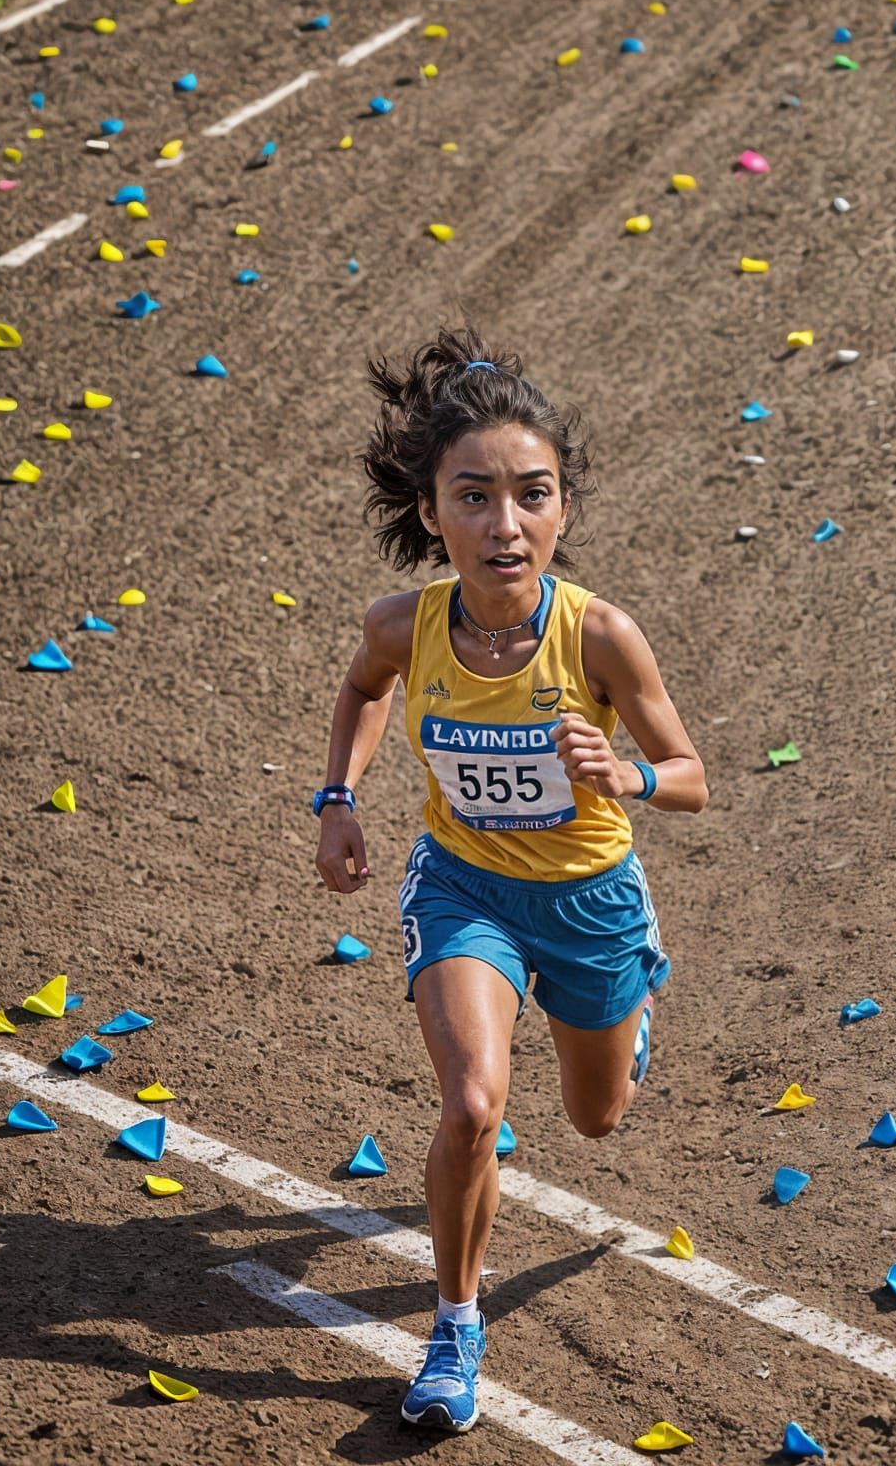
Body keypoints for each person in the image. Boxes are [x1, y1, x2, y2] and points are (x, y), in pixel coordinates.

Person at [314, 326, 708, 1431]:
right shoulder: (406, 623)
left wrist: (627, 773)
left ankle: (630, 1008)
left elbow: (693, 779)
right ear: (433, 512)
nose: (504, 522)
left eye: (530, 495)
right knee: (473, 1106)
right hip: (465, 887)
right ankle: (454, 1326)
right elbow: (363, 690)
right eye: (474, 496)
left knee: (596, 1118)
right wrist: (338, 799)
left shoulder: (601, 640)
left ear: (562, 512)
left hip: (587, 900)